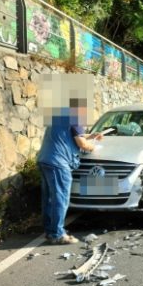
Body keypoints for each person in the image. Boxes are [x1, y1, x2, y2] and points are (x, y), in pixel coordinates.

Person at [37, 93, 103, 245]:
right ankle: (58, 234)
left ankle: (50, 230)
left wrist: (91, 135)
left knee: (49, 198)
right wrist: (92, 147)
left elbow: (72, 134)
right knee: (61, 198)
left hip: (45, 159)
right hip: (59, 162)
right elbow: (81, 143)